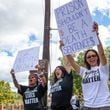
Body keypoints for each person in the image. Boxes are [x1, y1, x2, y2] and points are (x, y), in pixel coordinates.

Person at [63, 22, 110, 110]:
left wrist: (96, 35)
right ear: (86, 60)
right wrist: (64, 48)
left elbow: (102, 54)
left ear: (97, 57)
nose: (91, 57)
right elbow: (72, 62)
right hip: (87, 106)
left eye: (94, 55)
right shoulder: (84, 71)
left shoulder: (103, 69)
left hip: (104, 105)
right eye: (89, 57)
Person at [50, 43, 73, 110]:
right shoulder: (54, 83)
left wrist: (63, 50)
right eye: (55, 70)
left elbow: (68, 64)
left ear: (63, 71)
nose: (56, 70)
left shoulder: (67, 78)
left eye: (59, 69)